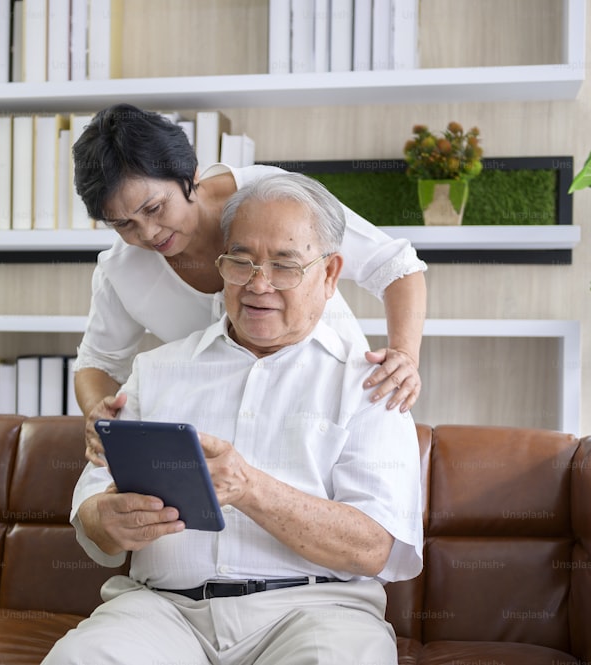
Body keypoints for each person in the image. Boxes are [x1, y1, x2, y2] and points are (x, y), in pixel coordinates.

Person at [43, 172, 423, 665]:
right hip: (162, 612)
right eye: (241, 263)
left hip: (316, 612)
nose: (257, 285)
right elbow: (93, 499)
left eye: (285, 267)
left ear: (329, 275)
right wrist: (102, 520)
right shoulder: (154, 371)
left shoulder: (373, 386)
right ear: (221, 266)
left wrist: (249, 488)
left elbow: (374, 547)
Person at [72, 103, 427, 465]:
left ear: (189, 175)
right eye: (123, 224)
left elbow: (394, 264)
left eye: (154, 209)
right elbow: (97, 361)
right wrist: (98, 414)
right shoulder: (121, 270)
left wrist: (405, 355)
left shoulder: (271, 198)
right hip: (229, 439)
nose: (147, 233)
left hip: (330, 413)